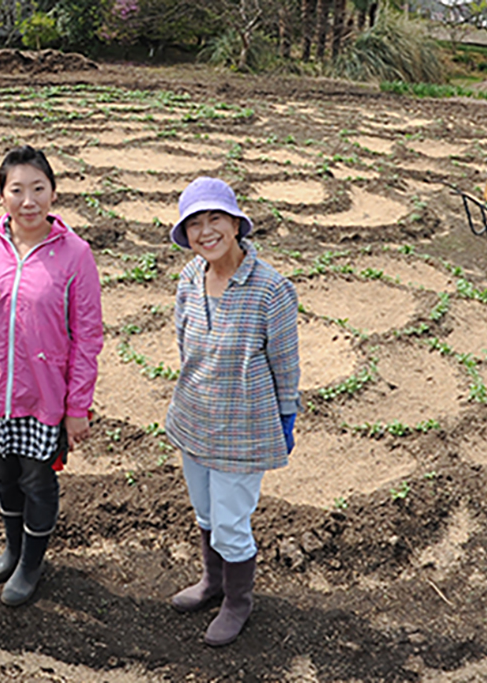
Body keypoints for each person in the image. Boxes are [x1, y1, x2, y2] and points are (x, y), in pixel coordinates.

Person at [0, 145, 103, 606]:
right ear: (2, 195)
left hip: (43, 397)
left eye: (38, 189)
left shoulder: (75, 254)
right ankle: (12, 548)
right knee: (4, 477)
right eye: (17, 190)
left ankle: (32, 562)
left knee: (37, 481)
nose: (28, 200)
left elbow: (88, 335)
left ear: (53, 193)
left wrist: (77, 408)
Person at [165, 177, 299, 646]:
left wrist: (287, 415)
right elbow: (185, 344)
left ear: (235, 224)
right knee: (205, 512)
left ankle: (238, 602)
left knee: (230, 522)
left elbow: (285, 360)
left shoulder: (270, 289)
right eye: (195, 224)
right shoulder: (189, 279)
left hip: (244, 427)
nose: (206, 232)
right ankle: (213, 582)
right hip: (194, 417)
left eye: (214, 219)